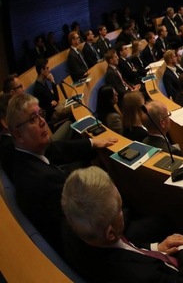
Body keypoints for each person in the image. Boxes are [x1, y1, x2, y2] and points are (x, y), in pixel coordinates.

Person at [2, 94, 116, 254]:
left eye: (40, 114)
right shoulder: (43, 181)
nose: (42, 121)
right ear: (18, 135)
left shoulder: (26, 153)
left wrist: (92, 143)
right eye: (33, 119)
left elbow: (57, 149)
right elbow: (84, 232)